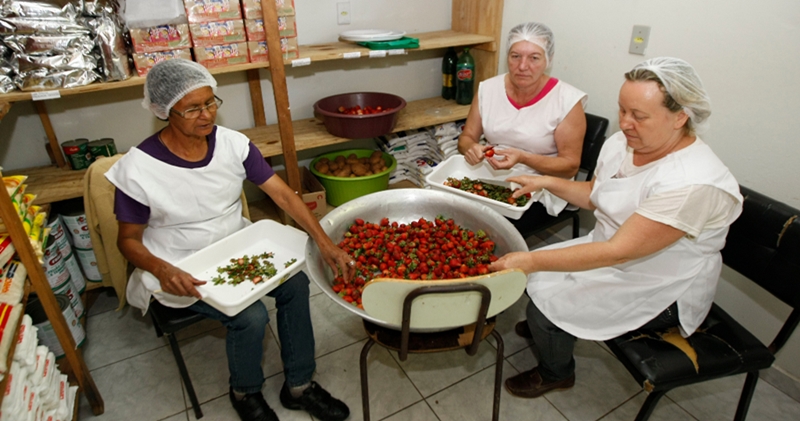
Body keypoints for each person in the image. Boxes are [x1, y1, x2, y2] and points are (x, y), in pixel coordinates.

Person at [105, 59, 353, 421]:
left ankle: (299, 385)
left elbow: (283, 196)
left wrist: (325, 241)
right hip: (179, 263)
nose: (206, 115)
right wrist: (162, 269)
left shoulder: (233, 145)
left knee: (297, 285)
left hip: (236, 247)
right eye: (192, 108)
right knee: (250, 316)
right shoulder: (139, 169)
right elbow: (127, 240)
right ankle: (245, 392)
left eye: (211, 103)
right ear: (164, 111)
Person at [490, 57, 743, 398]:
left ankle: (556, 371)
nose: (625, 123)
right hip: (614, 250)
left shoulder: (691, 183)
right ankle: (549, 328)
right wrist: (546, 182)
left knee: (541, 291)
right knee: (537, 282)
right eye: (623, 110)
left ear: (680, 117)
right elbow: (597, 195)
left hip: (662, 281)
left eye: (639, 116)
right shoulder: (627, 143)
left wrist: (531, 261)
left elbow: (618, 252)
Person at [458, 21, 587, 221]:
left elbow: (570, 166)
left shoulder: (567, 101)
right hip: (492, 174)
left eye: (534, 58)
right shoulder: (488, 89)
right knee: (449, 208)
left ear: (548, 60)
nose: (522, 66)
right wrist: (472, 148)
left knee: (480, 223)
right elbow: (466, 137)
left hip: (542, 184)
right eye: (515, 56)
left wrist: (523, 157)